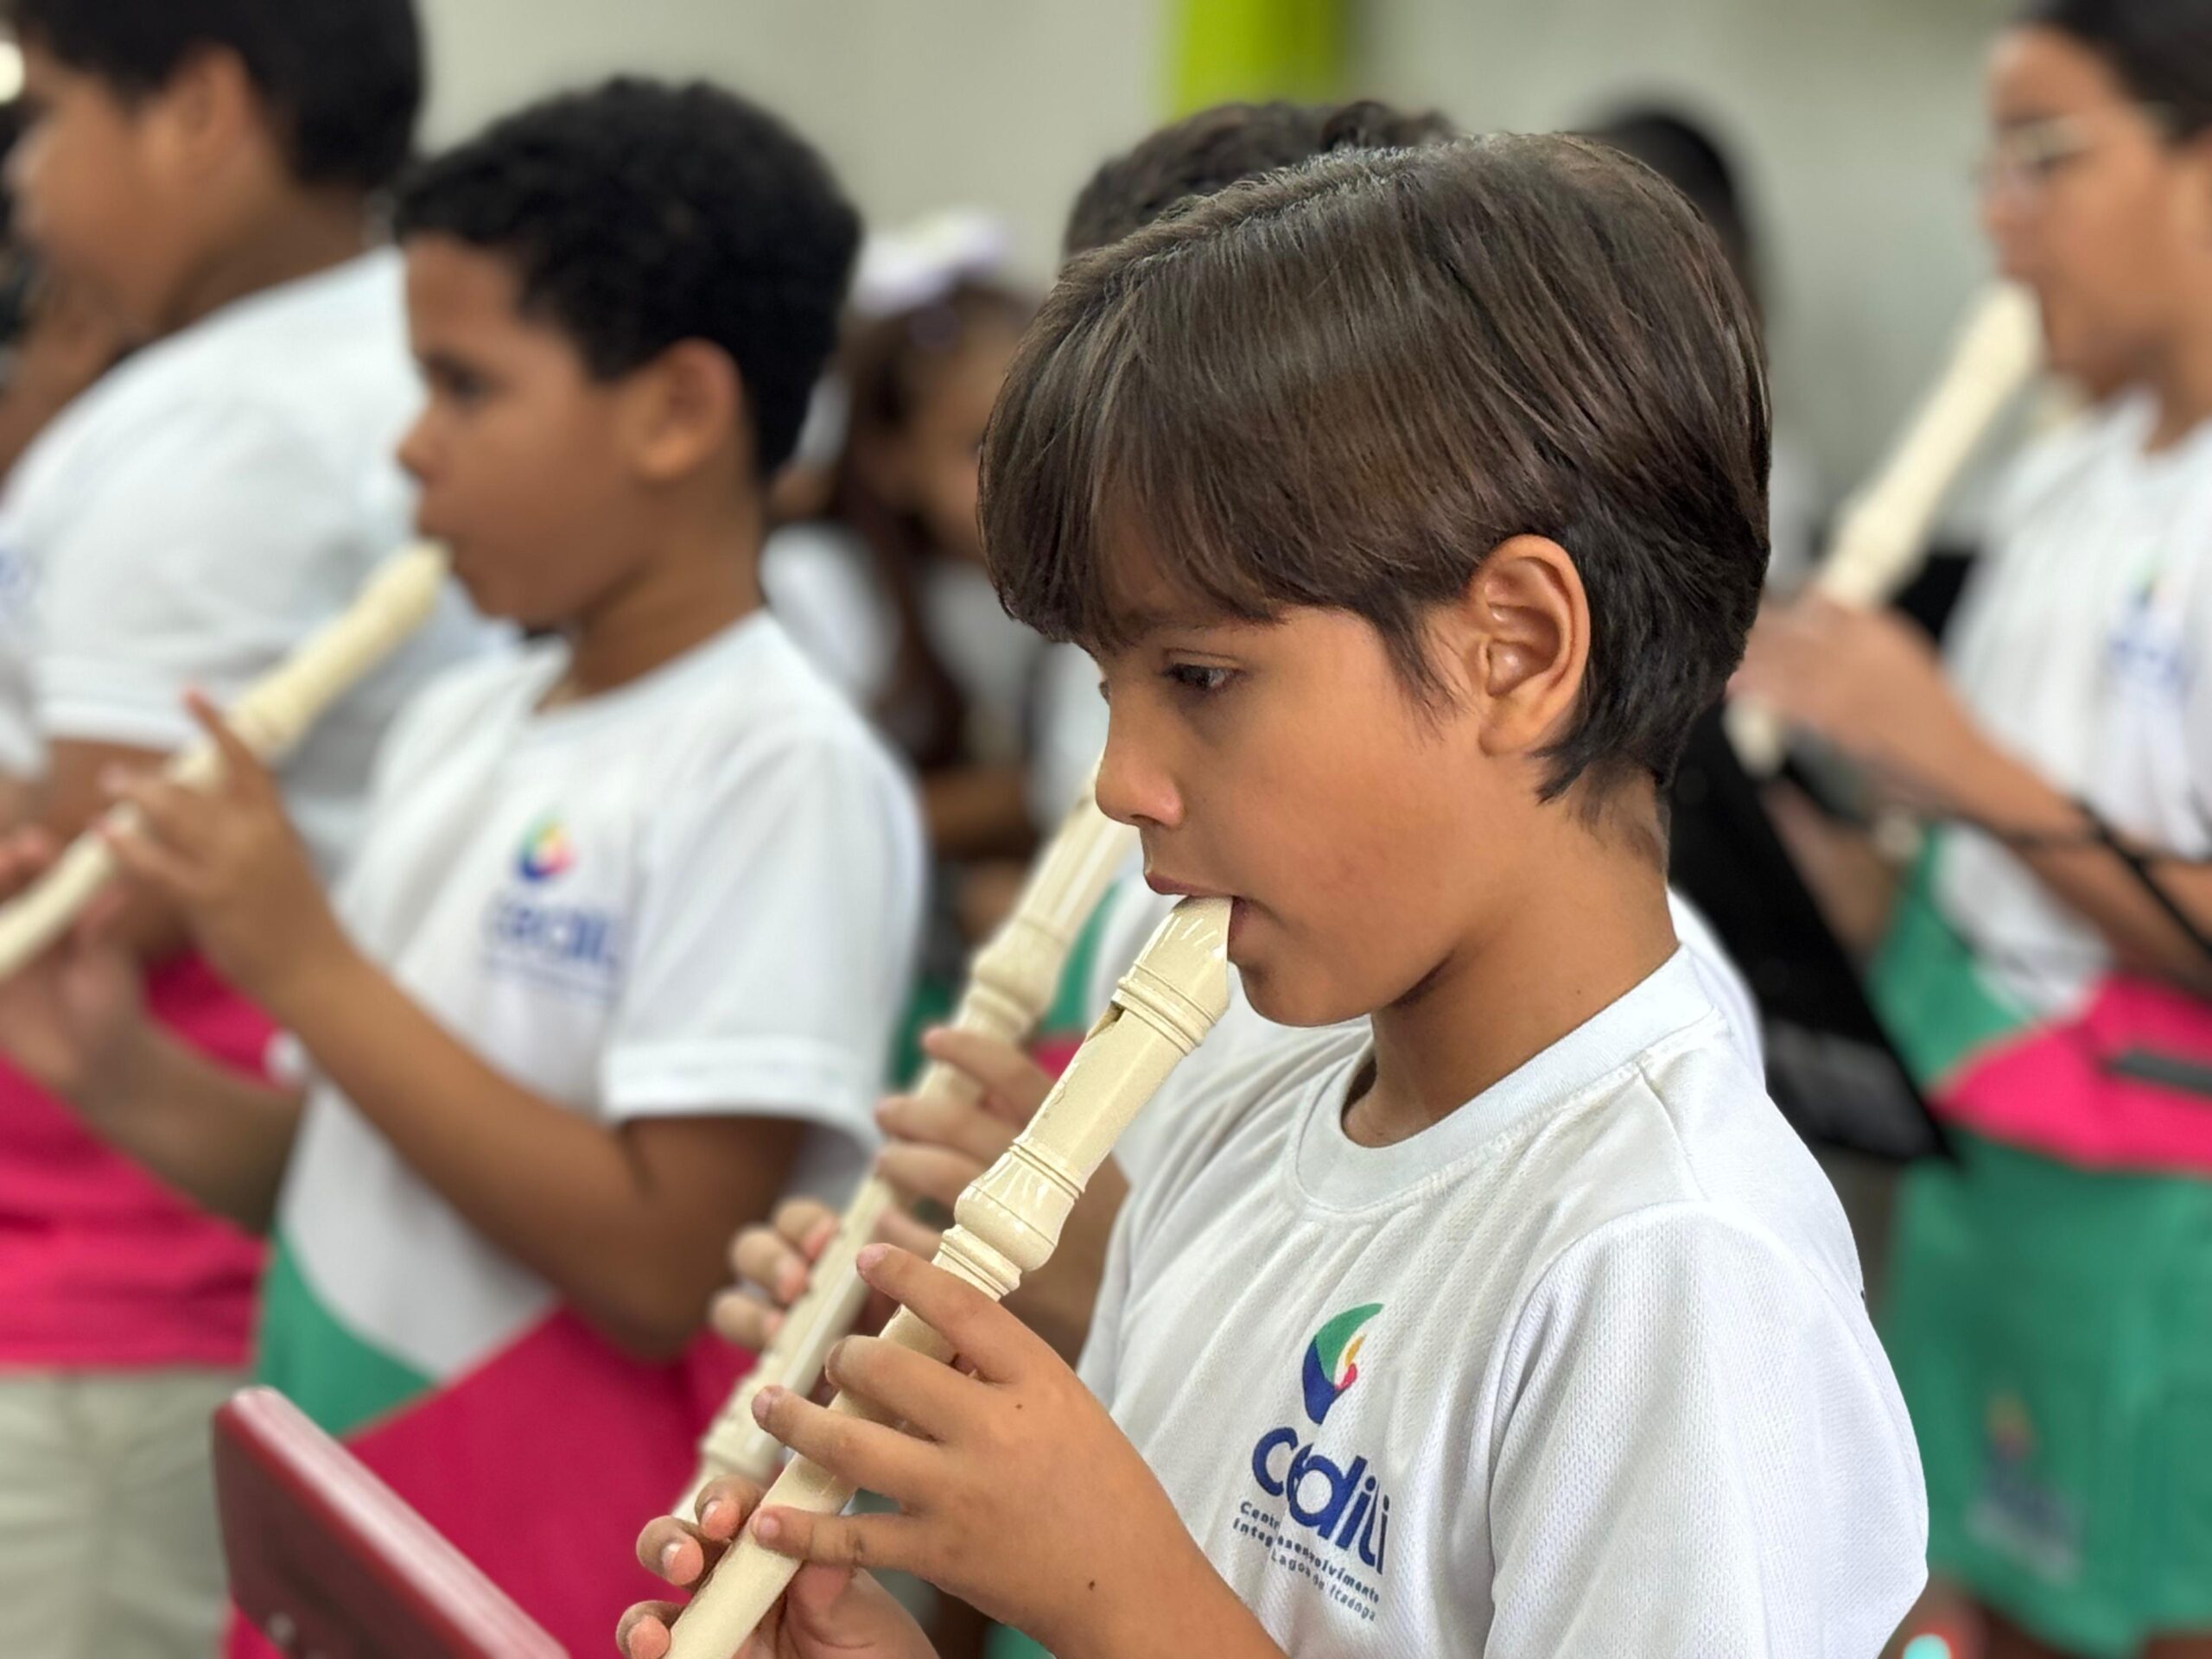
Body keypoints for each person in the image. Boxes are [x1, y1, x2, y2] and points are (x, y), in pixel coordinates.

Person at [626, 135, 1925, 1657]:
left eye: (1198, 677)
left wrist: (1122, 1599)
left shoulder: (1679, 1270)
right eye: (1108, 685)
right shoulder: (1250, 1101)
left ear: (1514, 646)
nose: (1119, 782)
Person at [0, 76, 924, 1654]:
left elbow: (659, 1261)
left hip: (562, 1551)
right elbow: (341, 1172)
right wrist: (110, 1063)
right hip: (350, 1485)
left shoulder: (780, 765)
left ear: (677, 413)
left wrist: (299, 960)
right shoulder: (463, 721)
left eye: (464, 387)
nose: (409, 452)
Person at [0, 4, 495, 1651]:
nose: (30, 184)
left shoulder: (223, 430)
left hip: (126, 1258)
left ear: (202, 107)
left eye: (52, 114)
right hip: (194, 1240)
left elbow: (92, 888)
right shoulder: (329, 366)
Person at [1739, 2, 2212, 1652]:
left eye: (2049, 160)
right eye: (1988, 169)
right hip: (1983, 1167)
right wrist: (1800, 853)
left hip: (2168, 1231)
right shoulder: (2064, 478)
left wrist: (1944, 749)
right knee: (1938, 1604)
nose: (2001, 217)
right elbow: (1989, 884)